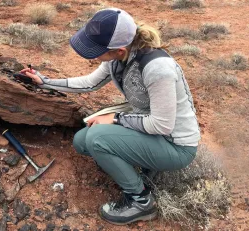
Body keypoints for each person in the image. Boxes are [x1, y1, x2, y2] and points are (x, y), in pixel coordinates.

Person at [20, 8, 200, 225]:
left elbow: (162, 125)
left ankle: (141, 201)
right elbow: (90, 82)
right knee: (82, 141)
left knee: (98, 139)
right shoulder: (117, 58)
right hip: (150, 129)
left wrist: (115, 118)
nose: (94, 55)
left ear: (119, 49)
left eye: (97, 50)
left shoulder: (157, 68)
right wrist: (44, 80)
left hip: (175, 146)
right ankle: (143, 168)